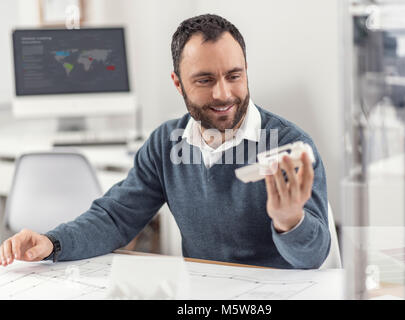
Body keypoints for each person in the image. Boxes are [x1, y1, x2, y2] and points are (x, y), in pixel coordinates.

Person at [0, 14, 330, 269]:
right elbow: (116, 217)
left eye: (234, 75)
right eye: (205, 80)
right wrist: (53, 242)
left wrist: (290, 222)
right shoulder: (166, 144)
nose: (223, 94)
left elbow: (313, 258)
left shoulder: (289, 145)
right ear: (178, 82)